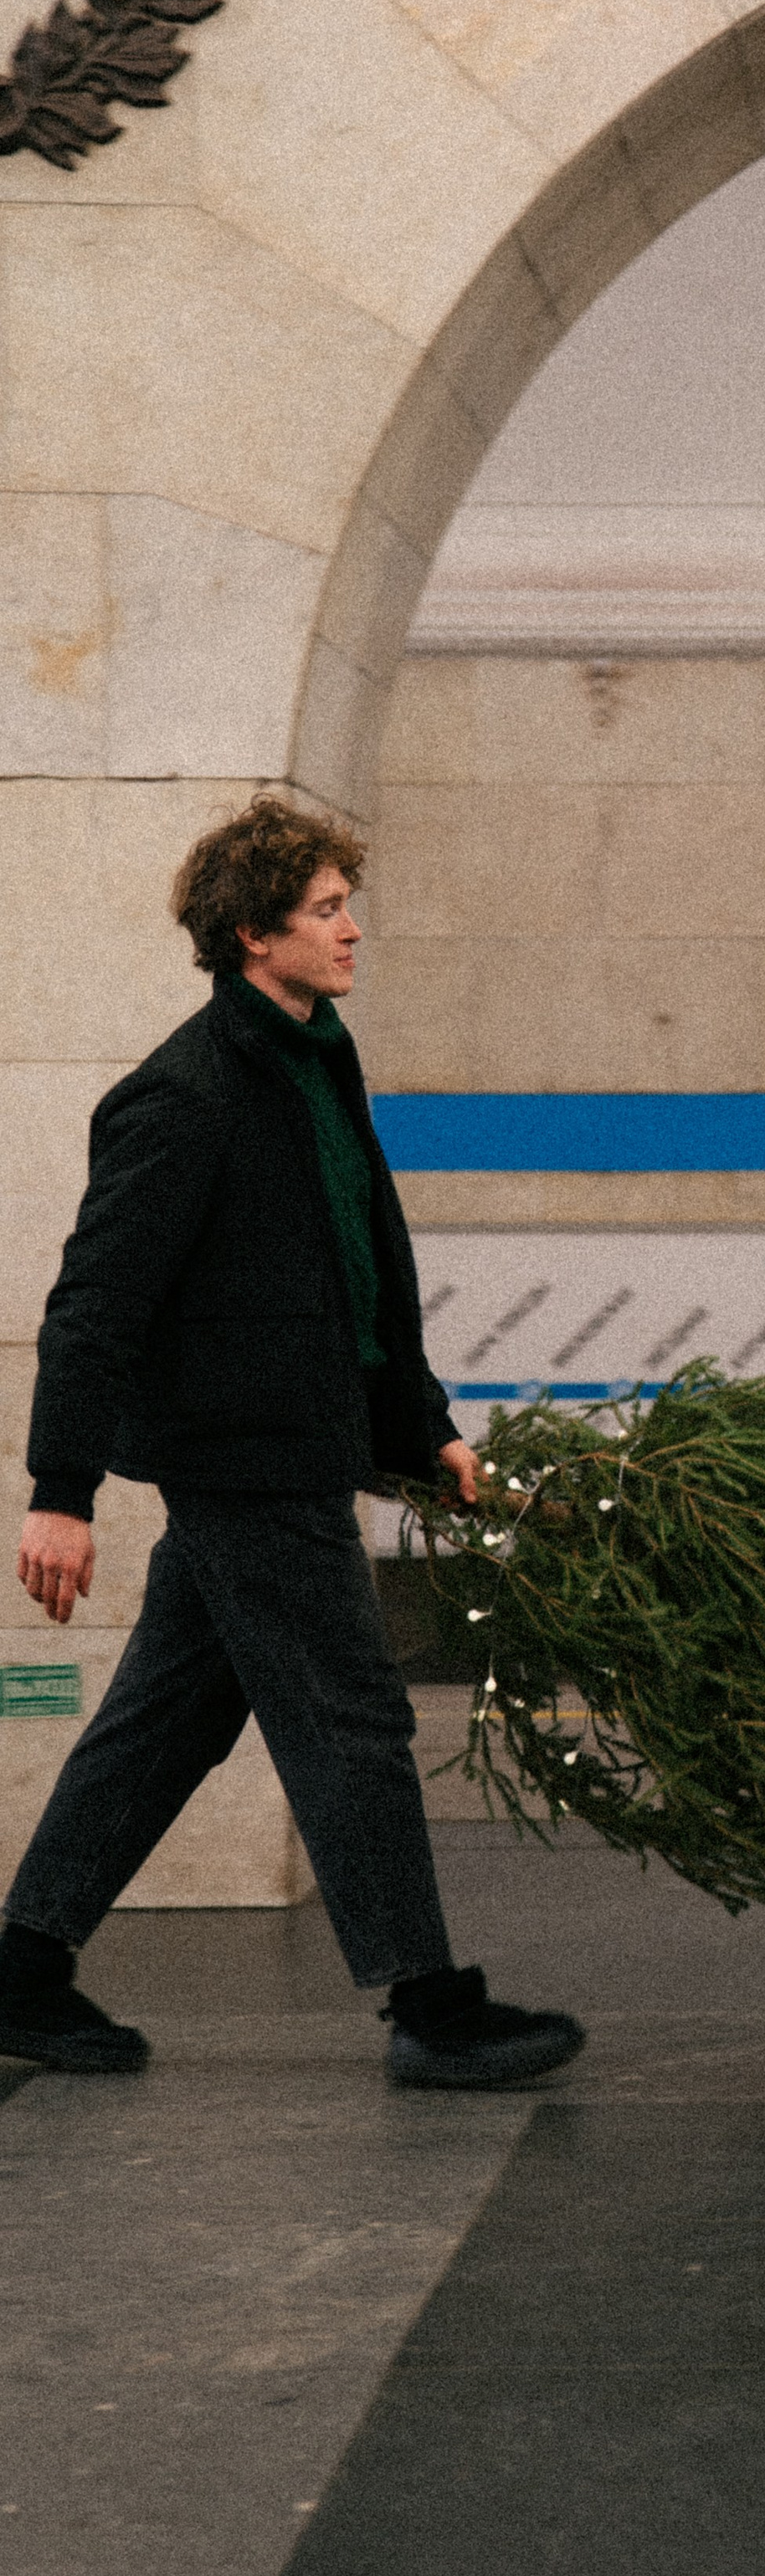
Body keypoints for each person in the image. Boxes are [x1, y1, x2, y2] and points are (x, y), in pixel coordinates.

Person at [0, 795, 583, 2092]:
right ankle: (429, 2004)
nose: (352, 928)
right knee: (352, 1715)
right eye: (326, 910)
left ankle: (22, 1970)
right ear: (254, 935)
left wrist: (423, 1430)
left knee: (166, 1718)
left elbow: (358, 1271)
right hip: (246, 1462)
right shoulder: (185, 1095)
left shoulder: (316, 1060)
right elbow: (93, 1305)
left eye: (345, 905)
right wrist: (60, 1490)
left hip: (293, 1450)